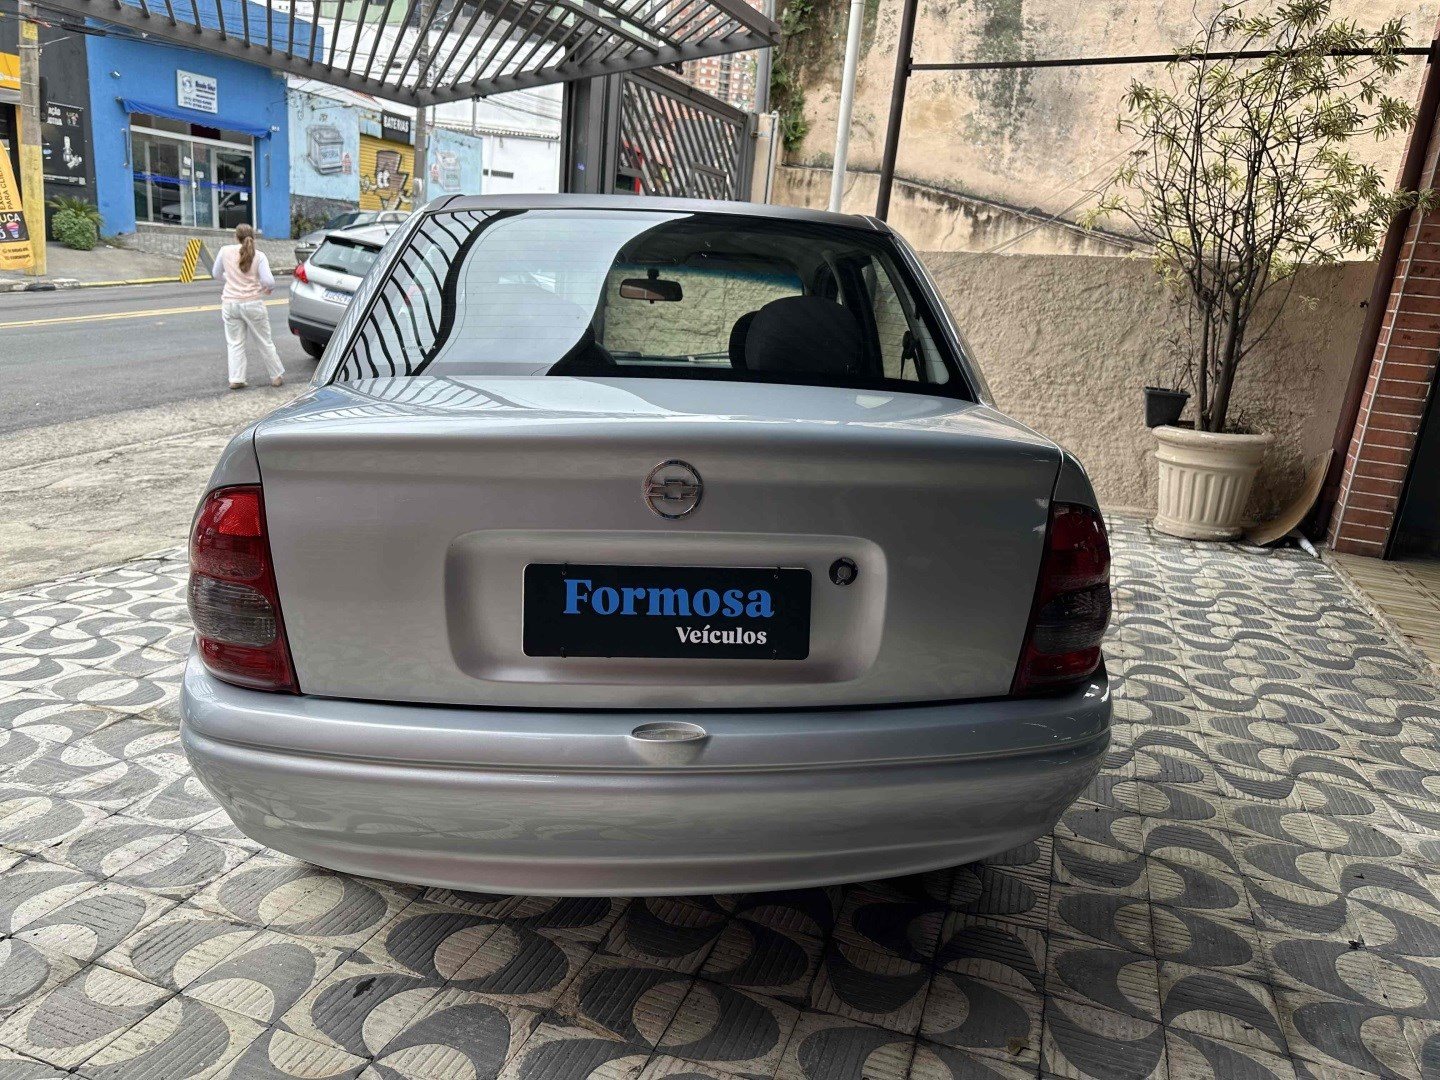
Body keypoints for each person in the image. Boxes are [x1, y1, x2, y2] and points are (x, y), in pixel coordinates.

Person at [212, 223, 285, 390]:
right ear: (253, 237)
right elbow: (269, 281)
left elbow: (216, 273)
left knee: (235, 343)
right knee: (264, 341)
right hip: (252, 303)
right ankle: (276, 376)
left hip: (230, 303)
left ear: (235, 236)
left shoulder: (224, 251)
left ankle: (236, 378)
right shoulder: (259, 256)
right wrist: (266, 288)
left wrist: (230, 279)